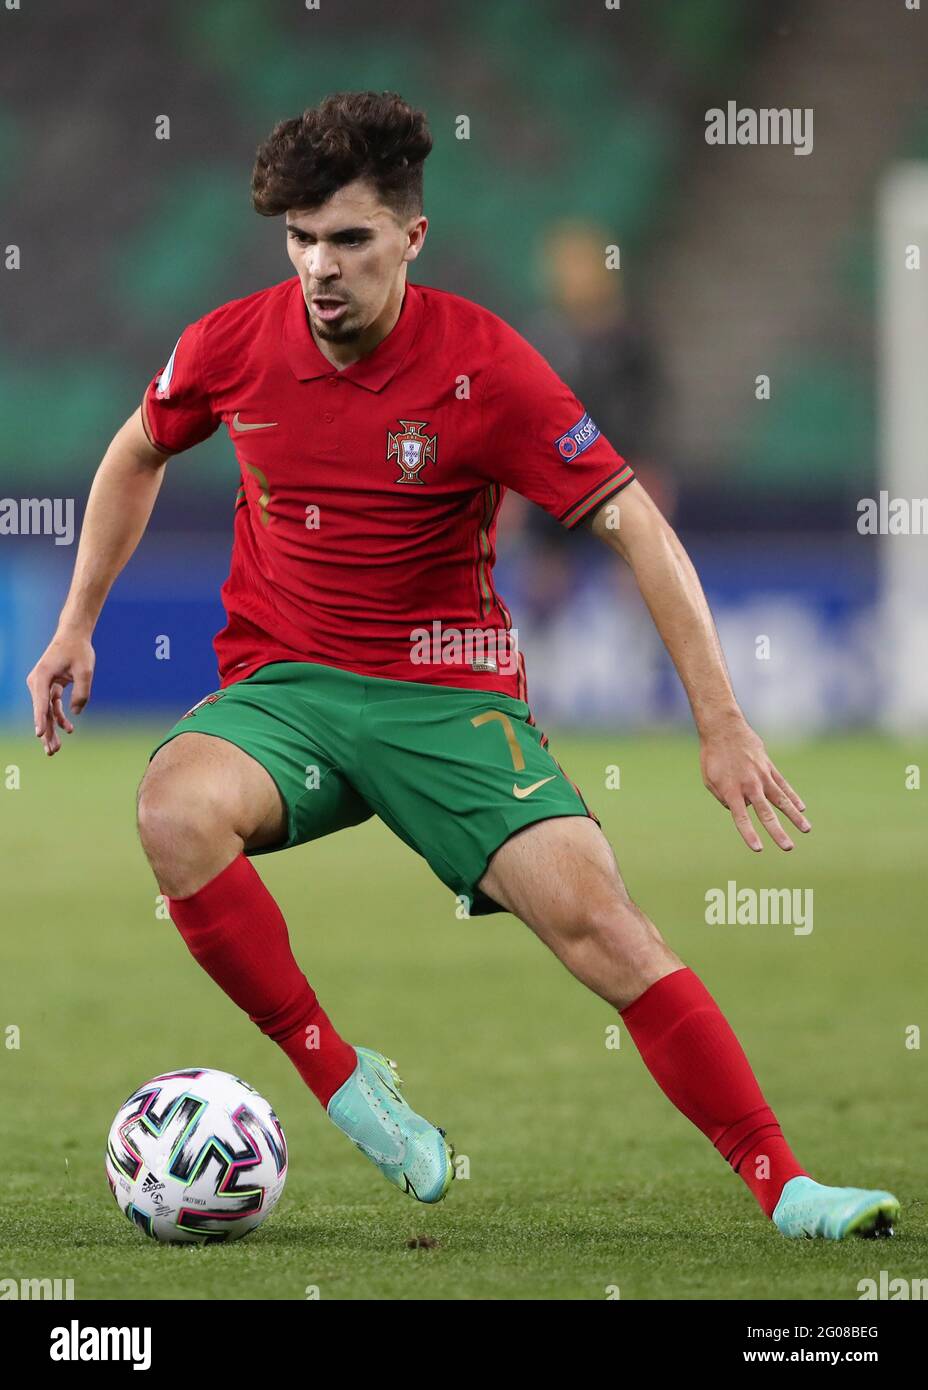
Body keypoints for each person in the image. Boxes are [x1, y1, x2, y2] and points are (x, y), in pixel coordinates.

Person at [27, 91, 897, 1237]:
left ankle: (788, 1188)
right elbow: (138, 448)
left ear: (411, 237)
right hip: (287, 693)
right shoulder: (232, 343)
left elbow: (636, 523)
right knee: (171, 811)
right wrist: (78, 621)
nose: (318, 267)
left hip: (448, 702)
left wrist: (721, 719)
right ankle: (344, 1080)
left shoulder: (487, 365)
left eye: (348, 238)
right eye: (299, 238)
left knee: (605, 932)